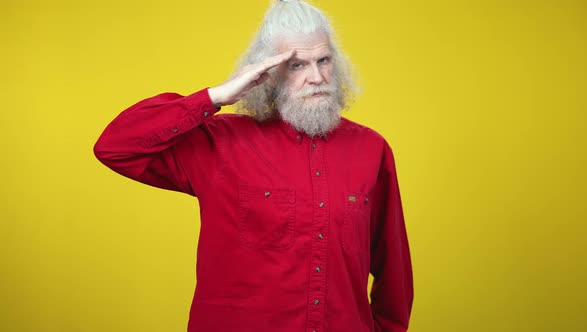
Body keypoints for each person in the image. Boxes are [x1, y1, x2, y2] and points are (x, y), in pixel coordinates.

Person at [94, 0, 413, 331]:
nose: (316, 77)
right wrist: (215, 97)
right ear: (268, 73)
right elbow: (116, 146)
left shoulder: (371, 149)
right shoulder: (220, 144)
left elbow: (394, 269)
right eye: (297, 66)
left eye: (323, 60)